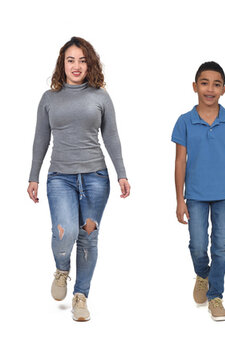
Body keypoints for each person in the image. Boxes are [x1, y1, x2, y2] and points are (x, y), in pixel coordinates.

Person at [27, 36, 131, 322]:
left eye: (82, 60)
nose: (76, 65)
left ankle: (81, 296)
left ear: (90, 64)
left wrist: (121, 173)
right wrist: (33, 176)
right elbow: (40, 139)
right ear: (63, 63)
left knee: (88, 237)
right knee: (66, 232)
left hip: (96, 177)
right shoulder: (49, 98)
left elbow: (111, 136)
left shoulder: (100, 96)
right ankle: (62, 269)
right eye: (71, 60)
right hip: (60, 177)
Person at [172, 61, 225, 322]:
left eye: (216, 84)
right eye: (204, 83)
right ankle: (203, 274)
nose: (210, 89)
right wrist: (179, 200)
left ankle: (216, 296)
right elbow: (180, 161)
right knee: (198, 245)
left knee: (221, 248)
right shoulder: (185, 121)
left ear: (224, 89)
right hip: (194, 195)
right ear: (195, 86)